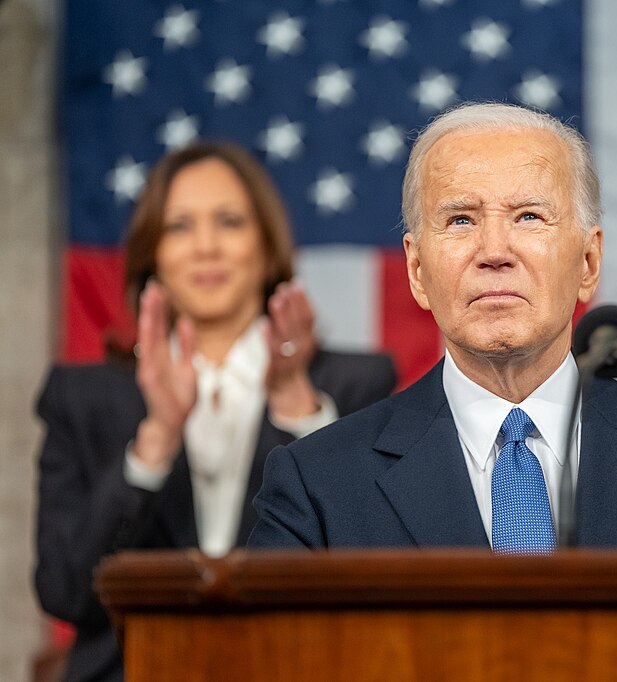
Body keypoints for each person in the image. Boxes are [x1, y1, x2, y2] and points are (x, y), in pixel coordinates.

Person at [248, 102, 617, 554]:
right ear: (418, 271)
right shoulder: (318, 486)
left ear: (588, 263)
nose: (494, 251)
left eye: (529, 216)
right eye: (460, 219)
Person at [34, 141, 397, 681]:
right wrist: (155, 440)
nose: (206, 246)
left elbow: (376, 577)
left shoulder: (354, 385)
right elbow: (65, 592)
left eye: (229, 222)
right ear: (152, 252)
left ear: (266, 247)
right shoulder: (81, 398)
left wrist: (301, 412)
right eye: (180, 226)